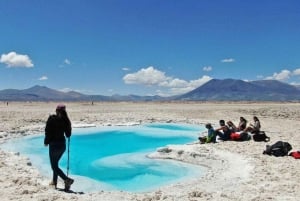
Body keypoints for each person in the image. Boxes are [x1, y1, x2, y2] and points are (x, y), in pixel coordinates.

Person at [44, 104, 74, 191]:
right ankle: (54, 181)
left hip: (54, 145)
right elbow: (68, 135)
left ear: (56, 111)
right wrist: (68, 126)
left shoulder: (51, 119)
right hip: (62, 146)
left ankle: (67, 180)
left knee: (54, 166)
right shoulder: (66, 121)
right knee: (55, 164)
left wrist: (46, 142)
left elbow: (47, 132)